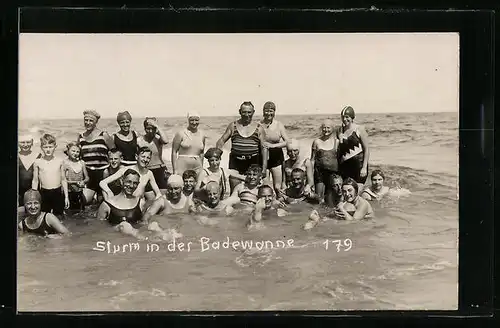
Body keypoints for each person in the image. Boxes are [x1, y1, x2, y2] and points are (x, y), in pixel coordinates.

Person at [216, 101, 267, 193]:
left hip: (254, 162)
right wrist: (217, 157)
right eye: (244, 112)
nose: (246, 115)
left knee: (253, 192)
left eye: (249, 112)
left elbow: (264, 149)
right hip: (236, 162)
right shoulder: (233, 126)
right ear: (240, 112)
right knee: (235, 190)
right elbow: (221, 141)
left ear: (253, 112)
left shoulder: (259, 128)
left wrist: (264, 168)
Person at [97, 169, 148, 239]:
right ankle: (145, 239)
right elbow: (98, 229)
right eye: (129, 182)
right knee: (124, 226)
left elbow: (143, 223)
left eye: (135, 183)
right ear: (122, 181)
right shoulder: (107, 204)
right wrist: (119, 227)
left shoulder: (141, 203)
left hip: (135, 235)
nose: (131, 186)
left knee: (154, 225)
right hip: (116, 237)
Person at [78, 110, 115, 204]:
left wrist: (111, 170)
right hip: (88, 174)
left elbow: (114, 153)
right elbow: (78, 156)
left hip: (103, 173)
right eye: (86, 120)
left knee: (103, 201)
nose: (88, 123)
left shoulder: (104, 135)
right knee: (84, 201)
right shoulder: (81, 137)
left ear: (96, 122)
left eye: (91, 120)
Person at [32, 134, 69, 217]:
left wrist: (66, 197)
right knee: (44, 216)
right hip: (44, 192)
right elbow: (35, 180)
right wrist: (33, 197)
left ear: (55, 146)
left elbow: (63, 179)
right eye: (45, 147)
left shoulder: (60, 161)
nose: (48, 150)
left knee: (59, 217)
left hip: (58, 192)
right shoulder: (37, 162)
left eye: (50, 147)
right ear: (41, 147)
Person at [259, 101, 290, 193]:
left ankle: (280, 205)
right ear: (263, 112)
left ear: (274, 112)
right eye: (266, 111)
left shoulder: (279, 125)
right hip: (262, 159)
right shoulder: (258, 125)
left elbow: (287, 142)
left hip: (276, 158)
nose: (269, 113)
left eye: (271, 111)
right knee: (265, 187)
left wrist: (273, 146)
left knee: (278, 187)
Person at [337, 106, 370, 184]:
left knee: (358, 189)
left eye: (347, 117)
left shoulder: (359, 129)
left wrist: (364, 167)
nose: (345, 119)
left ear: (352, 117)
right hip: (345, 167)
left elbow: (366, 149)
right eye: (343, 117)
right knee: (346, 190)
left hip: (359, 166)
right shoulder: (339, 130)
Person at [137, 117, 170, 195]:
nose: (150, 131)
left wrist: (157, 126)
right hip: (146, 170)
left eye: (153, 128)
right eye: (148, 128)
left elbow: (166, 141)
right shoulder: (139, 140)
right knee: (148, 195)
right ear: (144, 129)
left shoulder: (158, 140)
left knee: (163, 194)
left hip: (159, 169)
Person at [311, 119, 339, 207]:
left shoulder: (337, 141)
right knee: (319, 198)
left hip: (333, 174)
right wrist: (310, 178)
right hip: (319, 173)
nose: (326, 130)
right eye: (324, 128)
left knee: (331, 198)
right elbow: (312, 160)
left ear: (333, 129)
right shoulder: (316, 142)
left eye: (328, 128)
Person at [62, 142, 89, 212]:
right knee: (69, 214)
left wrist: (83, 181)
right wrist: (75, 182)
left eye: (77, 152)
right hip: (68, 193)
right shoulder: (65, 163)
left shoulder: (81, 163)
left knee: (81, 214)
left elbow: (87, 178)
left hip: (79, 193)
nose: (75, 153)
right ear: (68, 152)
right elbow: (62, 180)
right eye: (73, 151)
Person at [18, 134, 41, 205]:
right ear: (18, 143)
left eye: (28, 142)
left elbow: (38, 177)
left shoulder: (38, 155)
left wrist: (35, 193)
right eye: (22, 142)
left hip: (34, 190)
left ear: (32, 142)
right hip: (19, 191)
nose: (25, 145)